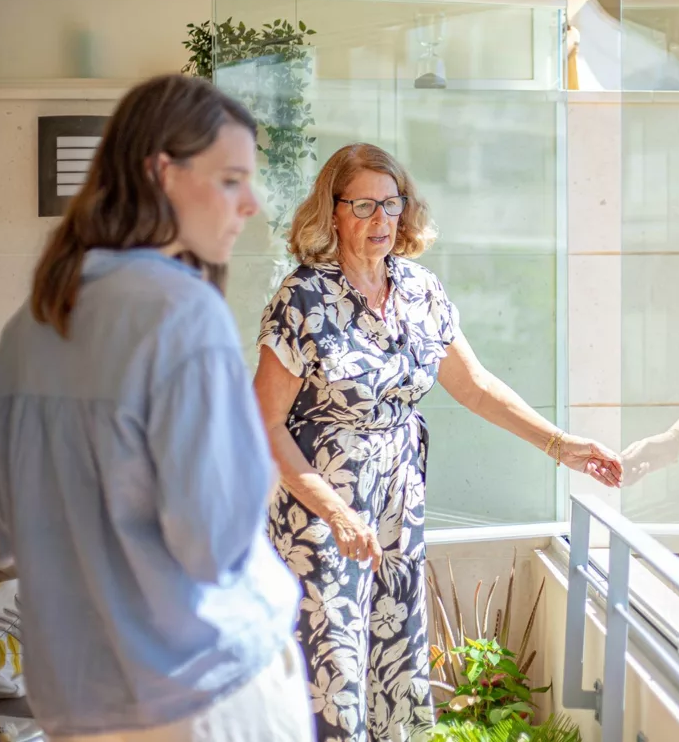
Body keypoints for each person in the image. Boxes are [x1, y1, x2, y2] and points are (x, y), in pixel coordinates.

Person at [254, 143, 623, 741]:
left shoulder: (419, 290)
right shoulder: (302, 298)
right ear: (334, 211)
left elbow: (474, 387)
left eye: (391, 204)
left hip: (399, 496)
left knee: (396, 658)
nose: (380, 220)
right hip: (322, 510)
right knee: (332, 667)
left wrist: (561, 445)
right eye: (364, 205)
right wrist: (337, 513)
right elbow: (263, 422)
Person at [0, 75, 312, 742]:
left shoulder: (26, 328)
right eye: (230, 180)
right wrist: (263, 460)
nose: (251, 204)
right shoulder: (184, 313)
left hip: (78, 704)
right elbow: (216, 541)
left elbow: (12, 536)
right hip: (209, 695)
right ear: (162, 173)